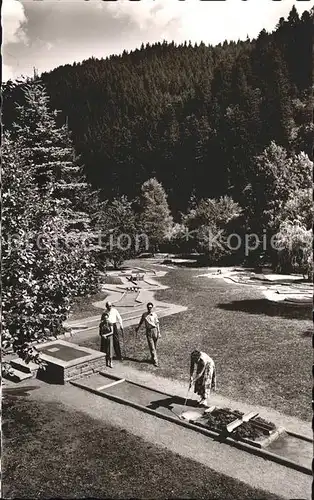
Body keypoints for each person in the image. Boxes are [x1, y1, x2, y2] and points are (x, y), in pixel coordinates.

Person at [135, 302, 160, 367]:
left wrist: (159, 332)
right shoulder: (144, 315)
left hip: (155, 331)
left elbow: (157, 324)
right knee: (152, 347)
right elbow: (141, 322)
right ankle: (155, 361)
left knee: (154, 346)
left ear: (152, 307)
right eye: (148, 307)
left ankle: (153, 358)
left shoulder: (154, 315)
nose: (150, 309)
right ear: (147, 308)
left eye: (151, 307)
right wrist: (138, 327)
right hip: (148, 332)